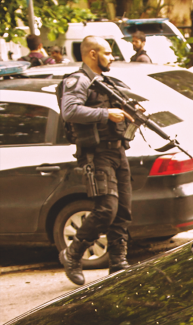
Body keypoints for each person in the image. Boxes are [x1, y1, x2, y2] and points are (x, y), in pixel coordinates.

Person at [58, 36, 136, 285]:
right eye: (107, 52)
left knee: (123, 210)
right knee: (107, 209)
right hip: (96, 154)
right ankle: (72, 254)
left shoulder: (107, 82)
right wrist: (106, 114)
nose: (112, 57)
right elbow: (69, 110)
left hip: (117, 151)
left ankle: (118, 265)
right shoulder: (78, 80)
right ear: (92, 54)